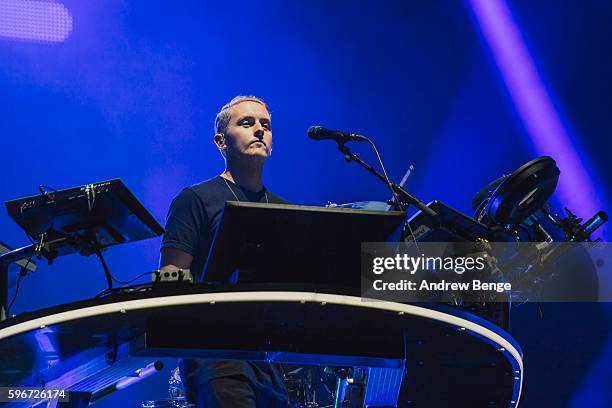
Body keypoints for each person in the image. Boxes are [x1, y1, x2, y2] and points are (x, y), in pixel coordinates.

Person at [159, 95, 289, 407]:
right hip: (213, 356)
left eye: (265, 125)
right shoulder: (195, 199)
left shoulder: (285, 209)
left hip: (267, 359)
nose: (259, 130)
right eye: (247, 123)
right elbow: (170, 277)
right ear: (221, 142)